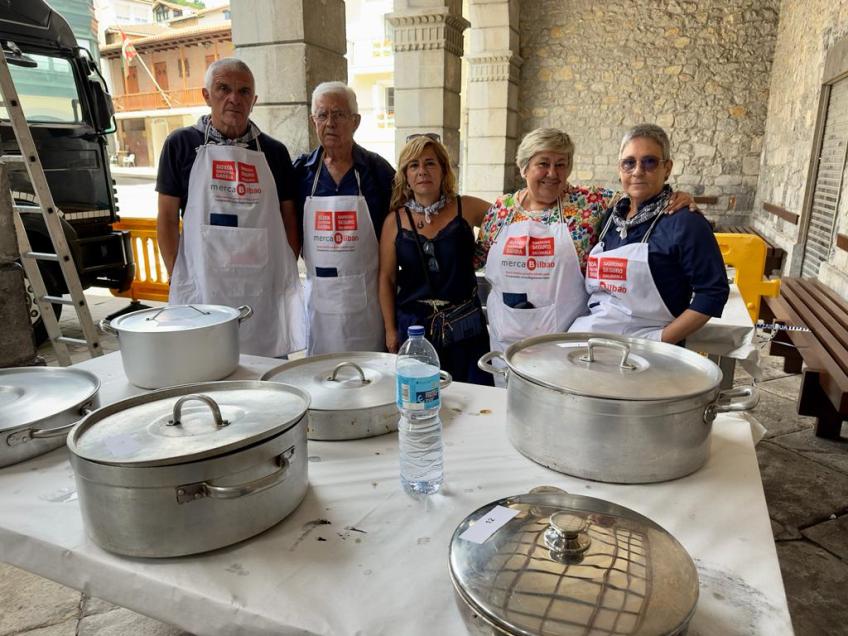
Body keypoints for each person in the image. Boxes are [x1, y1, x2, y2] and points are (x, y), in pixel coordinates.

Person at [475, 127, 695, 354]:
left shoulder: (590, 202)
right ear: (524, 168)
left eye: (561, 164)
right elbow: (478, 259)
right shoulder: (501, 210)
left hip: (566, 343)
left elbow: (641, 193)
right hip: (506, 340)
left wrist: (677, 197)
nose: (552, 173)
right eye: (543, 164)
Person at [156, 58, 305, 357]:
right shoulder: (180, 144)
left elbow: (290, 218)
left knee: (266, 368)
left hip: (262, 290)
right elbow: (167, 217)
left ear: (254, 100)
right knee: (207, 363)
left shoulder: (274, 152)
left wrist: (284, 272)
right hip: (203, 288)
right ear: (206, 95)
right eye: (223, 88)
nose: (234, 98)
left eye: (244, 91)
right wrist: (179, 275)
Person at [569, 124, 729, 343]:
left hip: (649, 347)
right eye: (629, 163)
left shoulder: (685, 222)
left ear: (667, 168)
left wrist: (659, 340)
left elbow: (712, 292)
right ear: (619, 169)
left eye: (650, 162)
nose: (637, 171)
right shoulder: (610, 218)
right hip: (593, 338)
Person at [378, 134, 494, 386]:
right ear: (406, 175)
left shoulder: (466, 207)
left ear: (443, 170)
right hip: (415, 329)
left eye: (430, 163)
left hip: (465, 325)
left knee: (474, 396)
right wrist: (390, 330)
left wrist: (483, 252)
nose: (422, 171)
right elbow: (386, 278)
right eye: (414, 165)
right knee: (420, 395)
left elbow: (508, 219)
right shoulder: (394, 222)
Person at [293, 82, 395, 355]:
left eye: (338, 114)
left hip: (368, 304)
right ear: (313, 121)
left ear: (355, 121)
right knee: (320, 371)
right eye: (322, 115)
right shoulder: (301, 172)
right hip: (320, 303)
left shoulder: (378, 172)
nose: (330, 123)